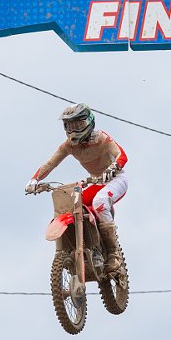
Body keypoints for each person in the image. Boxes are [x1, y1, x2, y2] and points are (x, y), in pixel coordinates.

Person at [26, 103, 129, 273]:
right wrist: (34, 180)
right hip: (97, 182)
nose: (74, 130)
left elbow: (122, 155)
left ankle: (113, 253)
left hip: (116, 179)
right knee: (76, 206)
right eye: (70, 126)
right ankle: (94, 247)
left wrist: (113, 168)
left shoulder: (101, 138)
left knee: (100, 201)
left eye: (78, 125)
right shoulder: (69, 146)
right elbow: (51, 163)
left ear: (88, 122)